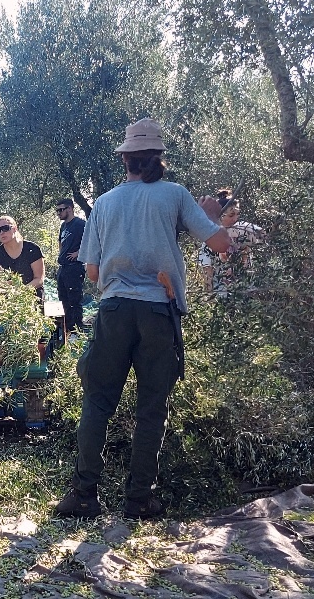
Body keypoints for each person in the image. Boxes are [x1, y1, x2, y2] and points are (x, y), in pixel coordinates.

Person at [55, 117, 231, 520]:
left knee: (97, 402)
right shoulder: (176, 195)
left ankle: (83, 495)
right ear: (159, 158)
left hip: (114, 311)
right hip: (158, 313)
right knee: (151, 407)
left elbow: (93, 273)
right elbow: (221, 244)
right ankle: (138, 500)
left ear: (126, 160)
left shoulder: (104, 203)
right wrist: (209, 216)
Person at [198, 197, 263, 297]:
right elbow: (208, 272)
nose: (235, 218)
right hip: (222, 294)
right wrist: (208, 297)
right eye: (231, 215)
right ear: (220, 215)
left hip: (246, 291)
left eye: (237, 214)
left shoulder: (244, 228)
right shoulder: (210, 238)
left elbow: (265, 235)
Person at [0, 215, 45, 302]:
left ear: (14, 228)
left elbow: (39, 279)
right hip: (9, 301)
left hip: (33, 298)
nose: (1, 233)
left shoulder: (32, 248)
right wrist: (11, 292)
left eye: (5, 228)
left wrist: (21, 292)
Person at [56, 199, 87, 334]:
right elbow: (60, 243)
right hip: (63, 267)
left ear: (70, 208)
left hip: (74, 267)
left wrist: (79, 253)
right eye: (57, 211)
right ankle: (68, 330)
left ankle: (77, 330)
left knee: (74, 300)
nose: (58, 213)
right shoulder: (63, 226)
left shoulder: (80, 224)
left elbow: (93, 241)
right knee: (64, 299)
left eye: (61, 210)